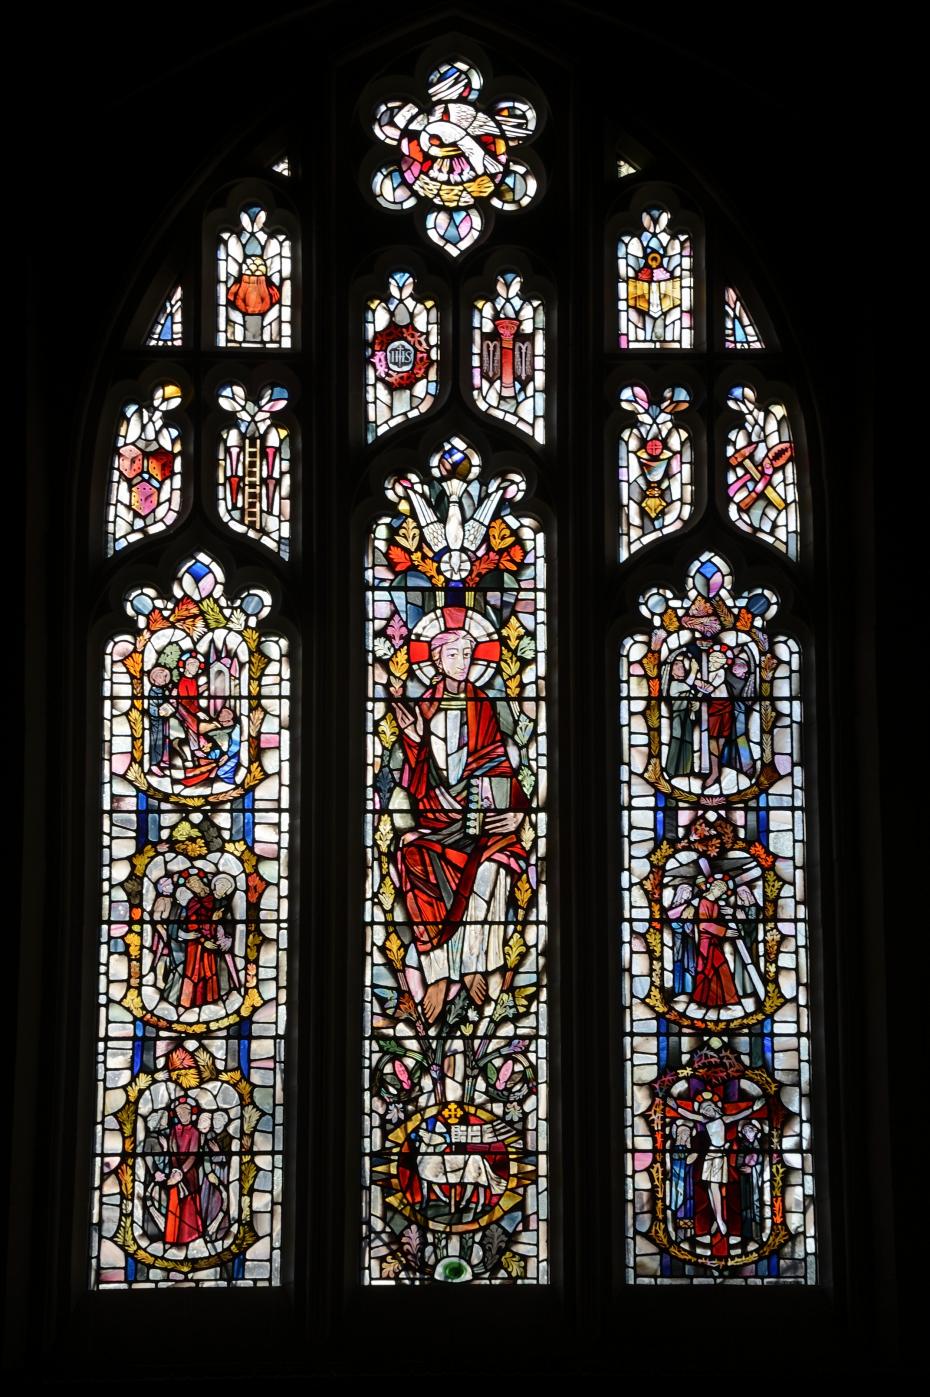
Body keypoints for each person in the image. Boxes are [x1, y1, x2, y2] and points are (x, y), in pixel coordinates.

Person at [392, 625, 529, 1024]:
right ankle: (437, 973)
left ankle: (473, 963)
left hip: (482, 821)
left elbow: (497, 762)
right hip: (437, 816)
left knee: (490, 869)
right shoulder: (427, 705)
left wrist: (517, 811)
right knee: (413, 855)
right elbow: (420, 775)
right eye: (453, 654)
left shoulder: (481, 702)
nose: (462, 662)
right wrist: (413, 735)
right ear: (436, 660)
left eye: (468, 654)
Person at [692, 877, 740, 1011]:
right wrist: (724, 932)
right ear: (714, 888)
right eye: (720, 890)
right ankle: (705, 1001)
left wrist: (728, 917)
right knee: (709, 969)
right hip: (706, 942)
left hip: (715, 941)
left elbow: (717, 922)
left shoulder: (716, 904)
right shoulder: (703, 902)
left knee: (719, 968)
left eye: (723, 891)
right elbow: (704, 925)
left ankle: (720, 1000)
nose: (721, 893)